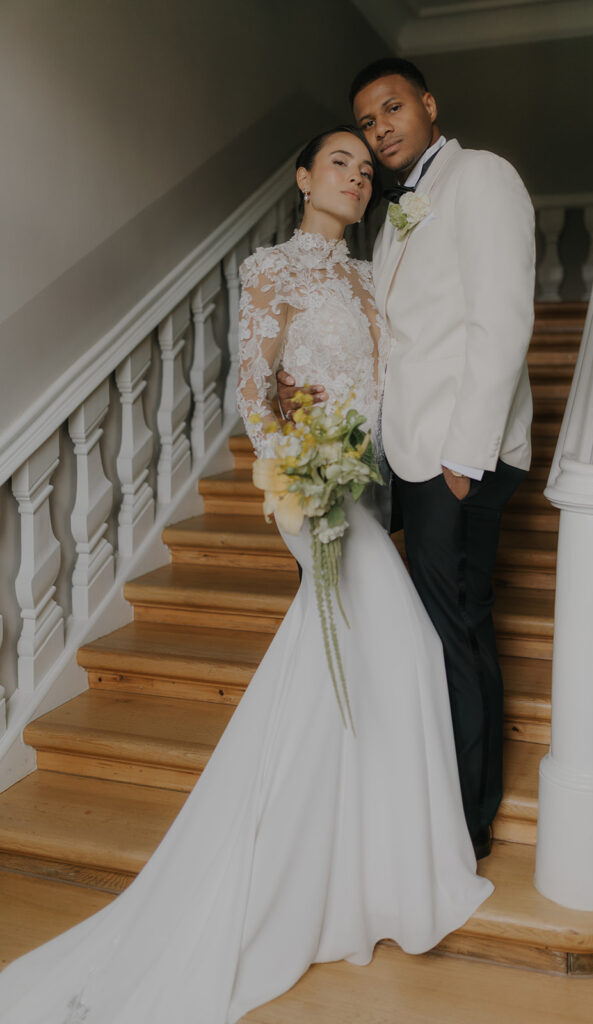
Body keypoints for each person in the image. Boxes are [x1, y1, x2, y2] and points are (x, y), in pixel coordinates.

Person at [0, 125, 492, 1024]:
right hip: (314, 496)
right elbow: (255, 394)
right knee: (409, 653)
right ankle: (344, 872)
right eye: (336, 162)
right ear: (304, 177)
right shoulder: (272, 269)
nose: (354, 176)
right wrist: (293, 485)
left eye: (364, 167)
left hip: (368, 489)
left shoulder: (366, 272)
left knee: (371, 668)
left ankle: (357, 867)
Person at [278, 60, 536, 859]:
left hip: (459, 455)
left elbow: (499, 321)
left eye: (392, 108)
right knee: (435, 635)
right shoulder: (391, 219)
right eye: (366, 120)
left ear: (427, 105)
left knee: (455, 633)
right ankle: (439, 805)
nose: (380, 127)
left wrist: (465, 456)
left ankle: (465, 826)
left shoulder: (481, 176)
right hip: (411, 460)